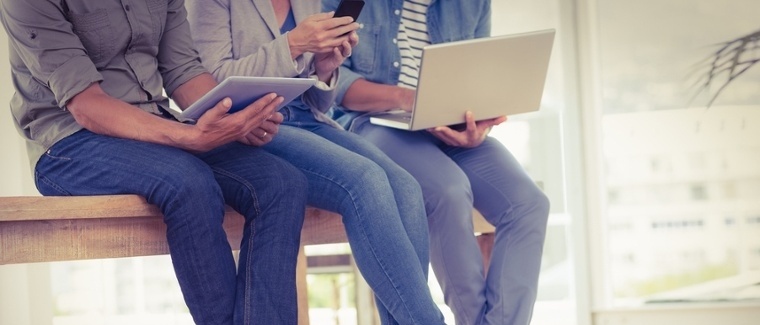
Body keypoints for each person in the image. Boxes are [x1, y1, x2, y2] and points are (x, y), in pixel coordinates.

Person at [0, 1, 309, 324]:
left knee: (282, 183)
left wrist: (235, 116)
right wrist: (188, 137)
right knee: (188, 182)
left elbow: (183, 72)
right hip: (68, 145)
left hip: (156, 127)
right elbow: (87, 105)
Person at [185, 0, 448, 324]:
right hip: (258, 125)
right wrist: (293, 44)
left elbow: (316, 98)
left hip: (309, 119)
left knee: (407, 187)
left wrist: (324, 67)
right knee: (364, 180)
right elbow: (209, 83)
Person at [322, 1, 552, 324]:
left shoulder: (472, 4)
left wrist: (477, 129)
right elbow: (331, 80)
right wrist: (409, 97)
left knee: (530, 203)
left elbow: (478, 76)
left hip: (451, 125)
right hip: (373, 123)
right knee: (449, 190)